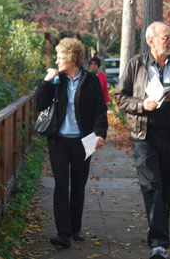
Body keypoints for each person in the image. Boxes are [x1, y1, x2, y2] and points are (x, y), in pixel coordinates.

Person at [114, 22, 170, 259]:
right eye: (165, 37)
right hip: (144, 136)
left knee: (166, 187)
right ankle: (159, 243)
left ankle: (158, 231)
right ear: (151, 41)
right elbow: (121, 98)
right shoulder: (136, 65)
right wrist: (142, 104)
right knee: (152, 186)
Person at [35, 38, 108, 248]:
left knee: (78, 184)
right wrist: (47, 81)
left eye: (61, 57)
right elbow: (39, 104)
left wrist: (100, 133)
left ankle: (75, 227)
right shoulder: (58, 80)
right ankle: (63, 233)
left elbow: (99, 110)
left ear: (73, 58)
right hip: (58, 140)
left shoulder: (91, 81)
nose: (57, 60)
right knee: (60, 185)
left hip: (83, 140)